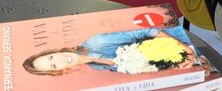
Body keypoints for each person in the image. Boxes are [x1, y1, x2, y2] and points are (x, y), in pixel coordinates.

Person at [22, 26, 196, 76]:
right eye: (53, 66)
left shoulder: (97, 43)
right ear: (58, 72)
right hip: (182, 61)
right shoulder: (96, 66)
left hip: (185, 41)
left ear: (56, 51)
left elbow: (150, 31)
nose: (58, 61)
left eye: (52, 57)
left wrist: (185, 49)